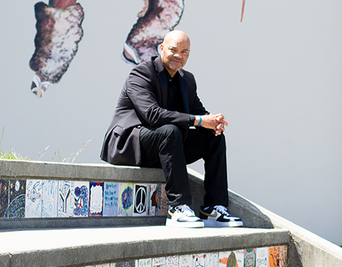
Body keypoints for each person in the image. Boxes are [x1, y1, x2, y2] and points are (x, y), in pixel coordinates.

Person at [101, 30, 243, 228]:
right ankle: (178, 208)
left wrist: (213, 122)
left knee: (213, 138)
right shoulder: (141, 73)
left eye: (184, 52)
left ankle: (213, 208)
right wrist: (200, 120)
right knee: (170, 130)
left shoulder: (187, 79)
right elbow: (153, 115)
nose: (179, 56)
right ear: (161, 49)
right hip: (129, 145)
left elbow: (198, 112)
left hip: (165, 147)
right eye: (173, 50)